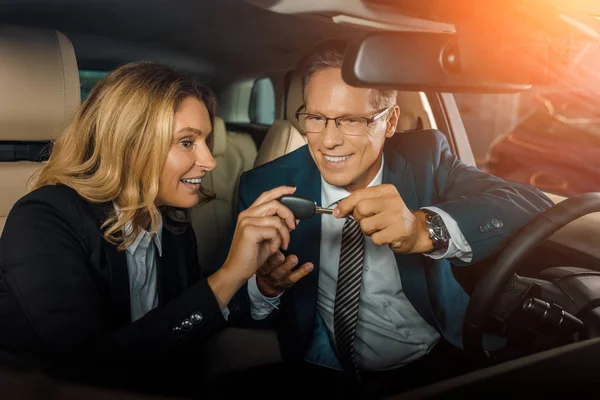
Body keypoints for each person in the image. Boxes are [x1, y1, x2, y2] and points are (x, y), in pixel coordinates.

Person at [229, 42, 554, 398]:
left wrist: (423, 229)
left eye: (351, 120)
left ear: (391, 122)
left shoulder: (426, 158)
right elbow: (236, 309)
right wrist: (265, 288)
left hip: (439, 353)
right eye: (317, 118)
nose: (329, 141)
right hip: (324, 369)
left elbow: (529, 201)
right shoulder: (262, 186)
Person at [0, 61, 302, 397]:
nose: (210, 161)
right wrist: (229, 274)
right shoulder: (44, 218)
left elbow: (184, 328)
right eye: (187, 142)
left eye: (205, 139)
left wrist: (261, 288)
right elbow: (88, 367)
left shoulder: (171, 226)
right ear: (130, 144)